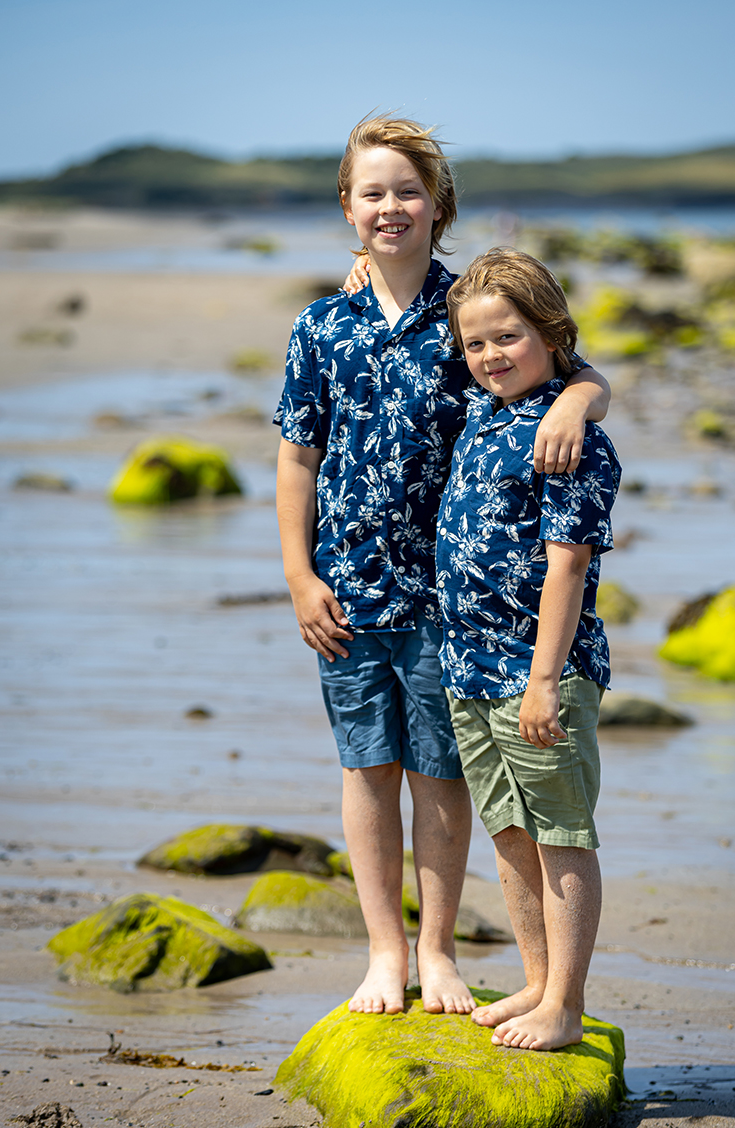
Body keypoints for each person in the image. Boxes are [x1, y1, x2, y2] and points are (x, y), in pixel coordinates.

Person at [274, 116, 611, 1019]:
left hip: (445, 605)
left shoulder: (464, 316)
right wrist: (300, 577)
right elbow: (297, 458)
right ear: (347, 208)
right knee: (364, 769)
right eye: (372, 192)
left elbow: (560, 372)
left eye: (407, 191)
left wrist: (583, 396)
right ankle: (384, 952)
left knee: (441, 776)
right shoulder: (321, 325)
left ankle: (439, 951)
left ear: (438, 206)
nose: (391, 207)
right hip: (344, 594)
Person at [438, 248, 621, 1051]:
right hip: (467, 668)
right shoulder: (483, 410)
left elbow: (568, 564)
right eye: (476, 344)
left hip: (535, 672)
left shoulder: (566, 436)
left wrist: (544, 680)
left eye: (508, 337)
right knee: (508, 828)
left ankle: (567, 1006)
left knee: (560, 832)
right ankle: (537, 981)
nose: (490, 356)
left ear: (550, 334)